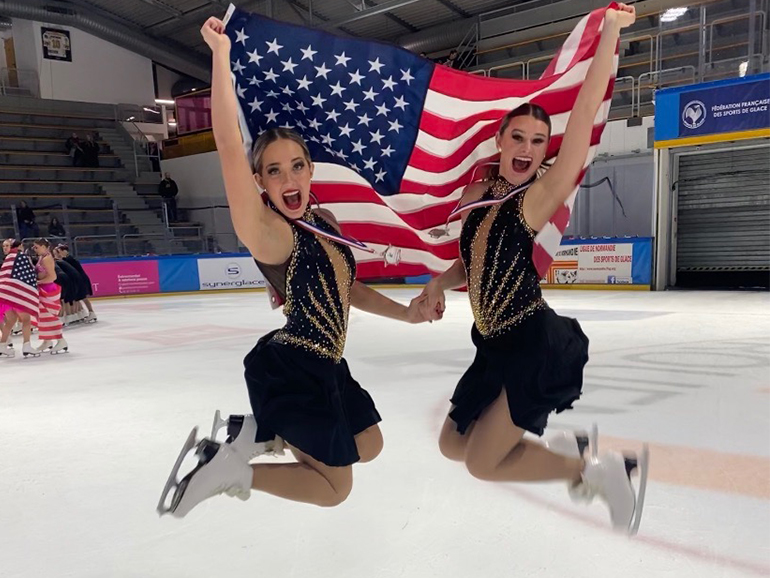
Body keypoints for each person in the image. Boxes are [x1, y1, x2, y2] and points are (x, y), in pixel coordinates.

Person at [157, 16, 439, 519]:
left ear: (310, 170)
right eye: (273, 170)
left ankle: (256, 433)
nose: (287, 178)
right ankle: (231, 471)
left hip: (326, 362)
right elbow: (227, 146)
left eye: (296, 166)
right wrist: (221, 58)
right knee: (336, 488)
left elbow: (348, 291)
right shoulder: (269, 231)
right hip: (294, 365)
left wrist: (408, 314)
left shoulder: (323, 220)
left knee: (368, 443)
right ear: (259, 181)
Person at [421, 4, 648, 535]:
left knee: (480, 461)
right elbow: (471, 263)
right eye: (517, 137)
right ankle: (578, 453)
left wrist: (610, 33)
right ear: (500, 141)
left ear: (548, 150)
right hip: (492, 343)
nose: (526, 148)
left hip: (532, 342)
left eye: (538, 141)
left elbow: (583, 124)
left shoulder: (534, 198)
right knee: (453, 444)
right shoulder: (477, 194)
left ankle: (598, 470)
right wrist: (437, 282)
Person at [0, 239, 40, 359]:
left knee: (11, 320)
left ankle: (2, 346)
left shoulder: (8, 258)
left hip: (4, 294)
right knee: (26, 319)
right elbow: (28, 275)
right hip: (16, 294)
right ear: (20, 246)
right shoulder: (21, 256)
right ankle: (26, 346)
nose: (4, 248)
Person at [31, 238, 68, 355]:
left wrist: (37, 283)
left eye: (36, 247)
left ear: (43, 246)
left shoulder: (47, 258)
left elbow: (52, 277)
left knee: (49, 316)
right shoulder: (42, 257)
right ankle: (47, 340)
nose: (34, 249)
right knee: (43, 316)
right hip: (44, 289)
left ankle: (61, 340)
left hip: (48, 289)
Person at [54, 244, 97, 323]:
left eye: (59, 252)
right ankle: (84, 313)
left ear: (64, 251)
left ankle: (91, 312)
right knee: (79, 297)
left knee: (83, 297)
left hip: (80, 279)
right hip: (78, 278)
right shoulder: (68, 258)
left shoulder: (68, 259)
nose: (59, 254)